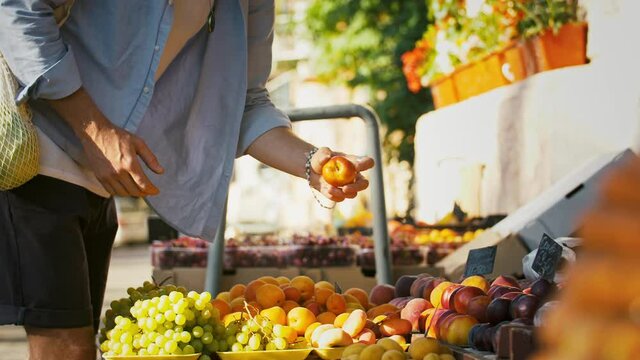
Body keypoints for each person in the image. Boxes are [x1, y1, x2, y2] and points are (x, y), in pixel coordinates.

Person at [0, 1, 374, 359]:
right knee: (68, 349)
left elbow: (247, 102)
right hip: (37, 153)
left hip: (100, 181)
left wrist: (312, 163)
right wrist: (96, 132)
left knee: (79, 348)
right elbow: (16, 9)